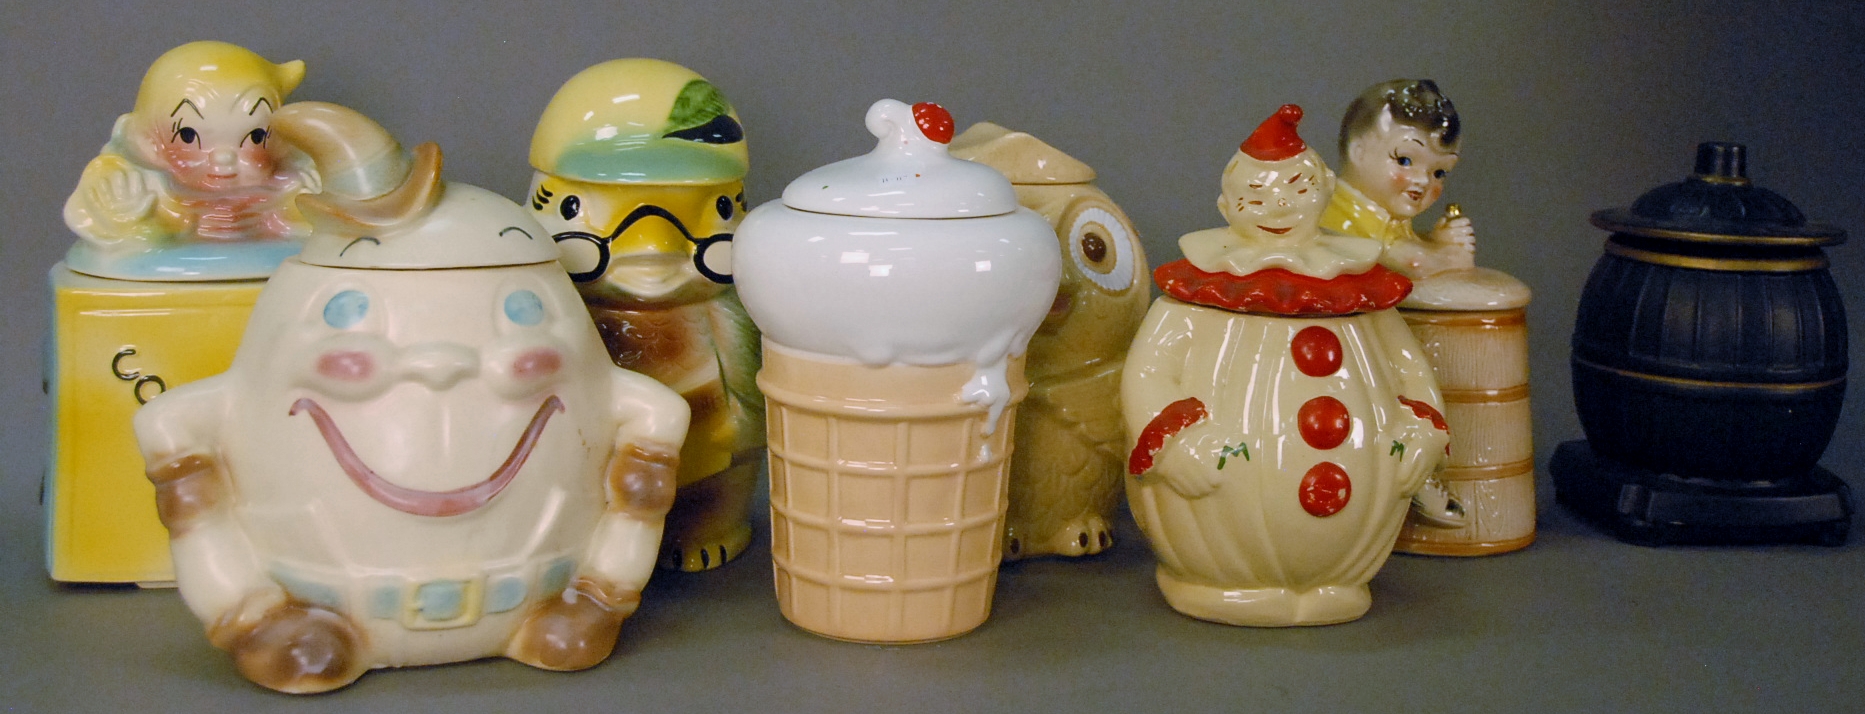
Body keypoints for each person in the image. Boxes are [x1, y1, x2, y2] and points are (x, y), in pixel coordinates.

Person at [1323, 79, 1472, 278]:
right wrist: (1450, 254)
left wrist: (1436, 240)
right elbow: (1413, 263)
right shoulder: (1334, 218)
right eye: (1404, 160)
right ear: (1359, 152)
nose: (1424, 180)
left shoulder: (1394, 223)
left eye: (1439, 173)